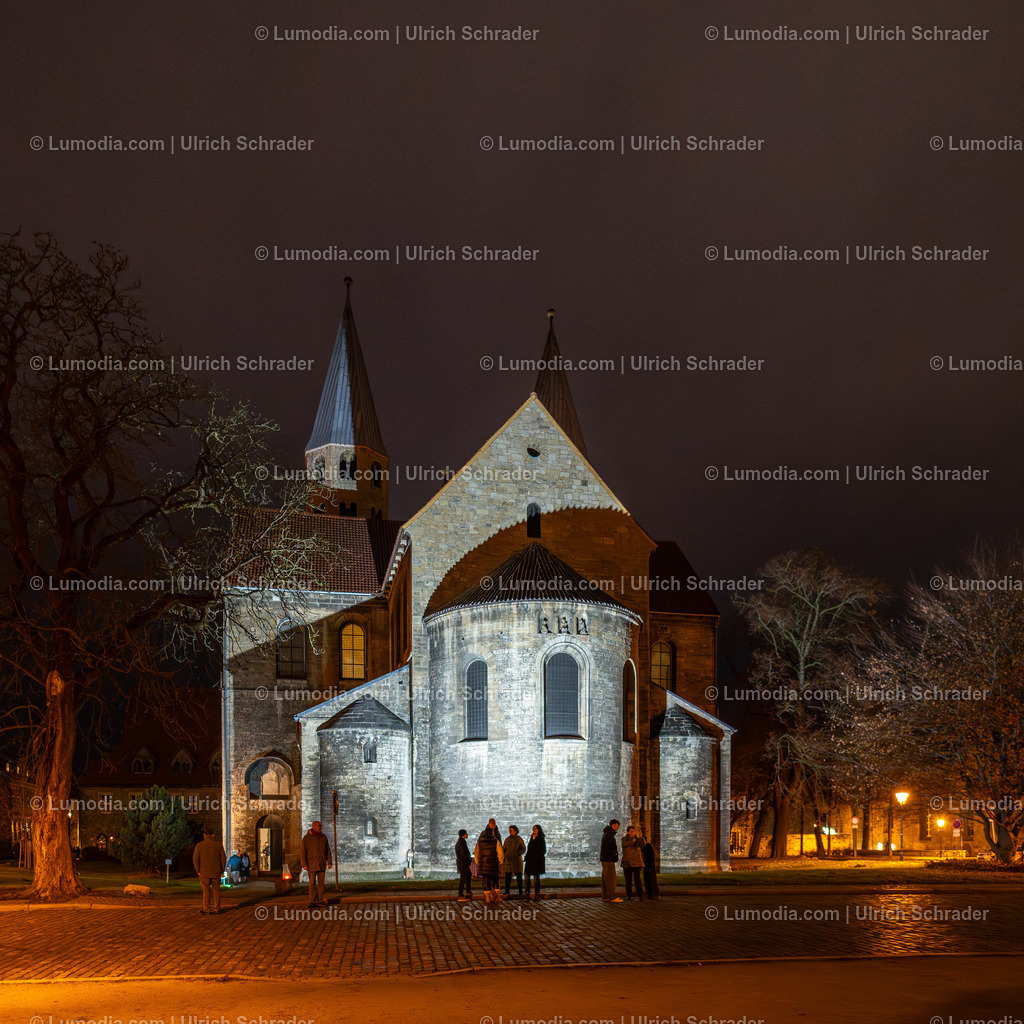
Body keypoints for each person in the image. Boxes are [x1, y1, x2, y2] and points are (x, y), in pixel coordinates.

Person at [193, 828, 227, 915]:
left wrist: (198, 870)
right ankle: (217, 908)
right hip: (216, 871)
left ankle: (206, 908)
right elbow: (223, 859)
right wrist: (222, 870)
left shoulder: (199, 845)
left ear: (204, 835)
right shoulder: (218, 845)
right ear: (213, 835)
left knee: (206, 890)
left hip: (204, 872)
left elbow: (195, 859)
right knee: (216, 890)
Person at [300, 819, 333, 908]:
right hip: (311, 864)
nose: (320, 828)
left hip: (321, 864)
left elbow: (328, 850)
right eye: (318, 826)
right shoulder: (306, 838)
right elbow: (303, 852)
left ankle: (321, 900)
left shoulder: (323, 837)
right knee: (312, 883)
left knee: (321, 884)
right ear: (313, 827)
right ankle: (313, 901)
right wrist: (304, 864)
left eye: (320, 826)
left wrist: (329, 862)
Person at [474, 818, 503, 903]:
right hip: (493, 862)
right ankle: (494, 897)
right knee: (494, 879)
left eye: (494, 822)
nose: (493, 824)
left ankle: (489, 897)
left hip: (484, 862)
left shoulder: (495, 834)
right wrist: (500, 861)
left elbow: (477, 852)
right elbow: (500, 851)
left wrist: (478, 861)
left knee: (487, 880)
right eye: (492, 823)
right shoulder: (495, 841)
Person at [600, 818, 622, 902]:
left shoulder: (607, 833)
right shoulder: (609, 834)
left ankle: (605, 896)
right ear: (613, 825)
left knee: (605, 878)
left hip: (605, 858)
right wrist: (614, 855)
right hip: (608, 859)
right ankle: (612, 896)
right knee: (610, 878)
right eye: (617, 825)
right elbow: (610, 847)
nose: (618, 827)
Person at [620, 825, 645, 900]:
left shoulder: (638, 839)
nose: (633, 832)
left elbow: (642, 846)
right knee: (628, 880)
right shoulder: (625, 839)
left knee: (637, 880)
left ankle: (640, 895)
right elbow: (624, 845)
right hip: (627, 862)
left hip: (637, 862)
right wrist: (632, 841)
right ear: (628, 832)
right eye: (631, 831)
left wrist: (640, 837)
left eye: (634, 831)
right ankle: (629, 895)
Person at [502, 825, 526, 898]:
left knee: (519, 876)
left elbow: (523, 848)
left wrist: (517, 853)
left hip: (516, 861)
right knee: (508, 876)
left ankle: (520, 891)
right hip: (508, 861)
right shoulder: (507, 839)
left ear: (515, 831)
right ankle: (507, 890)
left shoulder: (519, 839)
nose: (510, 832)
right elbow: (504, 848)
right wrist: (504, 855)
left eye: (511, 830)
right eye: (509, 830)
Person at [524, 824, 546, 901]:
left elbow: (543, 850)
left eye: (536, 829)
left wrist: (537, 856)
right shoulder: (531, 837)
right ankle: (527, 893)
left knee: (536, 878)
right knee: (527, 877)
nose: (534, 830)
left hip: (537, 861)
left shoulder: (541, 838)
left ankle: (537, 894)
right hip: (530, 860)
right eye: (533, 828)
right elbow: (529, 848)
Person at [640, 829, 659, 900]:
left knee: (652, 880)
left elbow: (651, 857)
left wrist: (652, 865)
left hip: (649, 865)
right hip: (647, 865)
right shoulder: (645, 847)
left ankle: (655, 894)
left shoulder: (648, 846)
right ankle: (650, 894)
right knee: (647, 880)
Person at [455, 828, 473, 901]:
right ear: (463, 835)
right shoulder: (462, 842)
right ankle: (461, 895)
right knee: (463, 878)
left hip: (462, 862)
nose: (467, 834)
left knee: (468, 875)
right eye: (466, 833)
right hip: (463, 863)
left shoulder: (460, 842)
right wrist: (469, 859)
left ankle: (468, 891)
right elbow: (464, 854)